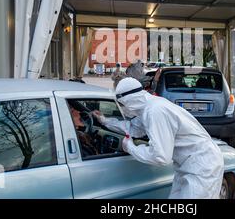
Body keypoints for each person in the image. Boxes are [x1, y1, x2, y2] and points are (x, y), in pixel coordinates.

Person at [92, 77, 225, 199]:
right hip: (188, 165)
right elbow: (133, 128)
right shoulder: (149, 107)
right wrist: (105, 121)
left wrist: (131, 148)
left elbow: (161, 156)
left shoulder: (155, 111)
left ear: (129, 100)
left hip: (202, 166)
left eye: (122, 104)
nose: (123, 108)